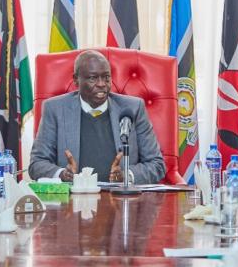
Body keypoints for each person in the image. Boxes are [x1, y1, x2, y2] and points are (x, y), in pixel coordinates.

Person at [29, 50, 166, 184]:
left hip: (121, 200)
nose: (102, 84)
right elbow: (37, 164)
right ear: (76, 80)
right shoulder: (55, 109)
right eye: (93, 78)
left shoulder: (133, 108)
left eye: (106, 77)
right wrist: (62, 175)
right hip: (74, 200)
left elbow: (157, 164)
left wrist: (126, 176)